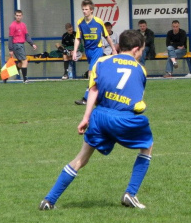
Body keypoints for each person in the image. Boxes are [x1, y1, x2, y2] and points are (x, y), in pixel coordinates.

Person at [39, 30, 153, 210]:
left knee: (81, 158)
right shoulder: (140, 70)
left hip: (99, 117)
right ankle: (130, 193)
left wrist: (86, 118)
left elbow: (93, 90)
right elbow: (136, 103)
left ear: (119, 46)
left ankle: (49, 200)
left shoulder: (102, 62)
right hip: (123, 119)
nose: (141, 55)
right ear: (136, 50)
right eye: (141, 51)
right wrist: (139, 106)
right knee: (147, 146)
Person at [73, 0, 117, 105]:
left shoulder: (98, 22)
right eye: (83, 9)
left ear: (91, 10)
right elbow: (78, 38)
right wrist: (74, 51)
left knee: (91, 72)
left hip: (97, 50)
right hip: (88, 51)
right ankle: (106, 93)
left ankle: (86, 98)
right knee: (98, 74)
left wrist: (114, 49)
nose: (84, 11)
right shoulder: (80, 22)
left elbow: (107, 36)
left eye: (86, 9)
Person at [8, 10, 37, 83]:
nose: (18, 17)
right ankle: (25, 79)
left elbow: (26, 36)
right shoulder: (12, 25)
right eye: (17, 15)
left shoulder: (23, 25)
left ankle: (7, 75)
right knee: (25, 61)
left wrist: (32, 44)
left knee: (20, 64)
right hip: (16, 45)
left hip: (21, 45)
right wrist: (10, 49)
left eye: (19, 15)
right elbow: (10, 38)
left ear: (22, 16)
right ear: (15, 16)